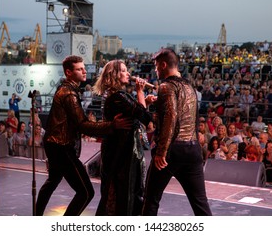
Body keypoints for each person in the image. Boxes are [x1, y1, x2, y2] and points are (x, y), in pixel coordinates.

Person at [36, 55, 132, 216]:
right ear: (69, 72)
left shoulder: (67, 90)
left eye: (83, 67)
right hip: (62, 147)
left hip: (55, 145)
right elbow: (83, 125)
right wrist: (112, 125)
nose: (84, 70)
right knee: (86, 192)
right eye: (79, 69)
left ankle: (36, 217)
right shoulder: (69, 94)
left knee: (52, 182)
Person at [142, 48, 212, 216]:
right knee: (200, 203)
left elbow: (171, 119)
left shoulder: (166, 86)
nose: (156, 70)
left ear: (164, 65)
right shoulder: (189, 87)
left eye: (157, 66)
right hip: (193, 149)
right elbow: (187, 113)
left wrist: (161, 152)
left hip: (172, 151)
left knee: (151, 199)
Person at [92, 60, 153, 216]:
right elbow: (145, 116)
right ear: (114, 75)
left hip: (119, 151)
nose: (128, 74)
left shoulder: (117, 96)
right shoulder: (119, 97)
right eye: (124, 71)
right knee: (123, 195)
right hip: (122, 154)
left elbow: (136, 113)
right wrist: (140, 91)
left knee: (120, 194)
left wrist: (144, 101)